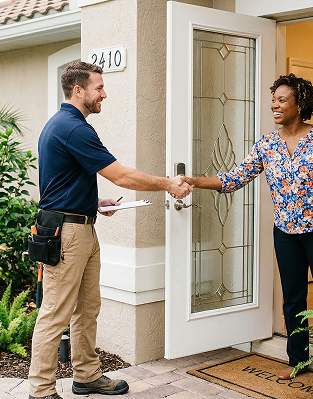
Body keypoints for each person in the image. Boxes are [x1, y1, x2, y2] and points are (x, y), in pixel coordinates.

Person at [28, 61, 192, 399]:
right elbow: (122, 176)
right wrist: (167, 185)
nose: (105, 93)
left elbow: (64, 181)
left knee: (87, 309)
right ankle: (41, 391)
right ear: (78, 91)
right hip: (68, 235)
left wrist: (93, 202)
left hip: (80, 227)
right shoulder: (74, 128)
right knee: (55, 313)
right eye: (99, 87)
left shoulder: (66, 124)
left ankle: (86, 376)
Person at [179, 73, 313, 380]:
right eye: (273, 100)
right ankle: (297, 360)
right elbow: (235, 177)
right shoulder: (267, 144)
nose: (275, 105)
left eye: (282, 100)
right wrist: (195, 181)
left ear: (299, 104)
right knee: (293, 296)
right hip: (285, 233)